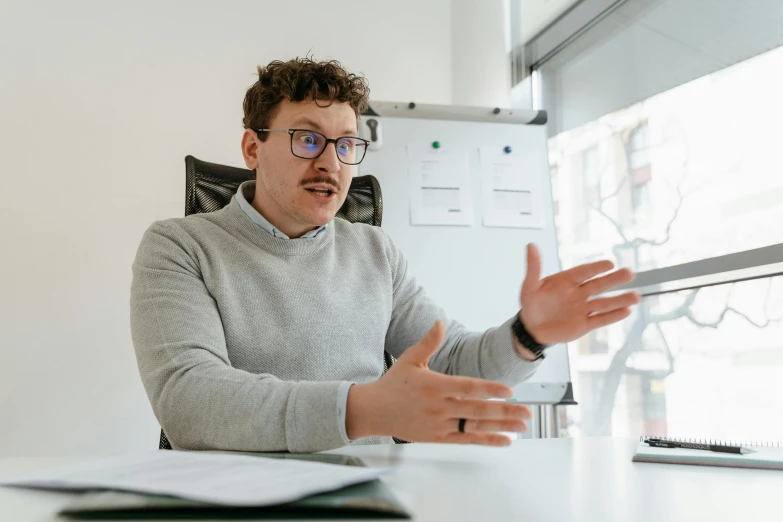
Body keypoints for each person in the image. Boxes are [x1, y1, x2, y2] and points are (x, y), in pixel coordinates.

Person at [130, 57, 640, 453]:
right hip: (236, 501)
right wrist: (360, 409)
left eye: (346, 144)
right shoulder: (180, 247)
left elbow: (453, 364)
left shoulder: (374, 251)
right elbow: (188, 400)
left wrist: (529, 335)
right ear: (252, 148)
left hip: (367, 493)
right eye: (307, 139)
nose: (331, 162)